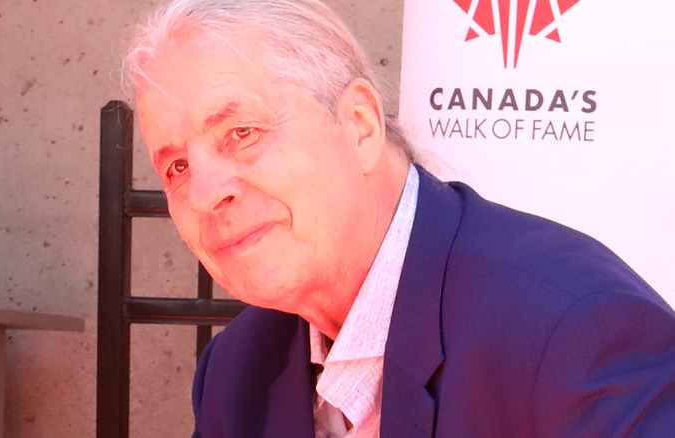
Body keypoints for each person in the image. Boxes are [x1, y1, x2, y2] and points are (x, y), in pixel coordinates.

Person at [125, 0, 675, 436]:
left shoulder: (573, 332)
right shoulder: (236, 371)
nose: (202, 194)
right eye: (175, 166)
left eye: (241, 133)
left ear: (360, 125)